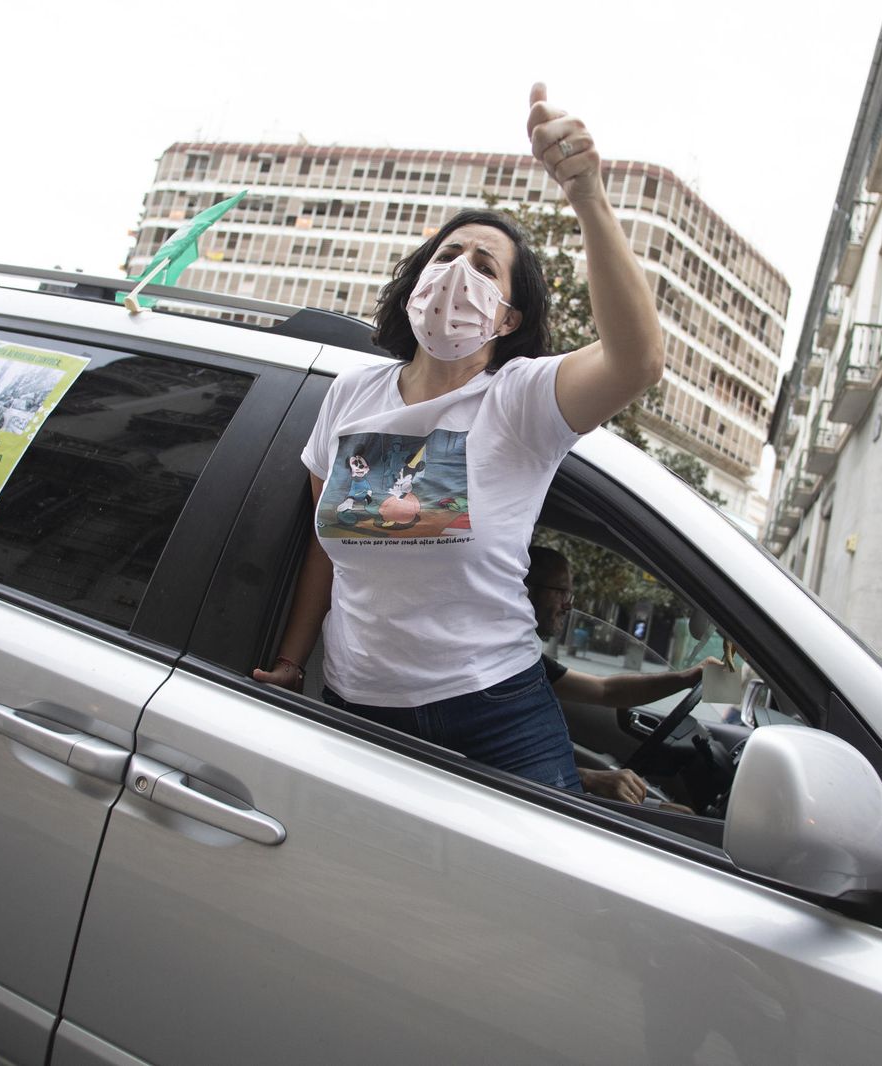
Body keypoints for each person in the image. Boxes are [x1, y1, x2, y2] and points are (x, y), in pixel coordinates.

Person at [253, 84, 665, 793]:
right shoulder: (351, 396)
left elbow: (637, 361)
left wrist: (587, 192)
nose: (458, 274)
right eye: (449, 255)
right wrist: (292, 662)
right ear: (418, 279)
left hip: (497, 709)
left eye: (484, 267)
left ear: (508, 318)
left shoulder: (522, 400)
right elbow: (329, 555)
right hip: (360, 709)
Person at [524, 545, 713, 804]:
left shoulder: (528, 662)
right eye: (561, 592)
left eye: (570, 594)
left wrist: (685, 678)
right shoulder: (490, 667)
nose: (568, 604)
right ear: (525, 589)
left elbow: (607, 690)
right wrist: (589, 779)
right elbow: (492, 760)